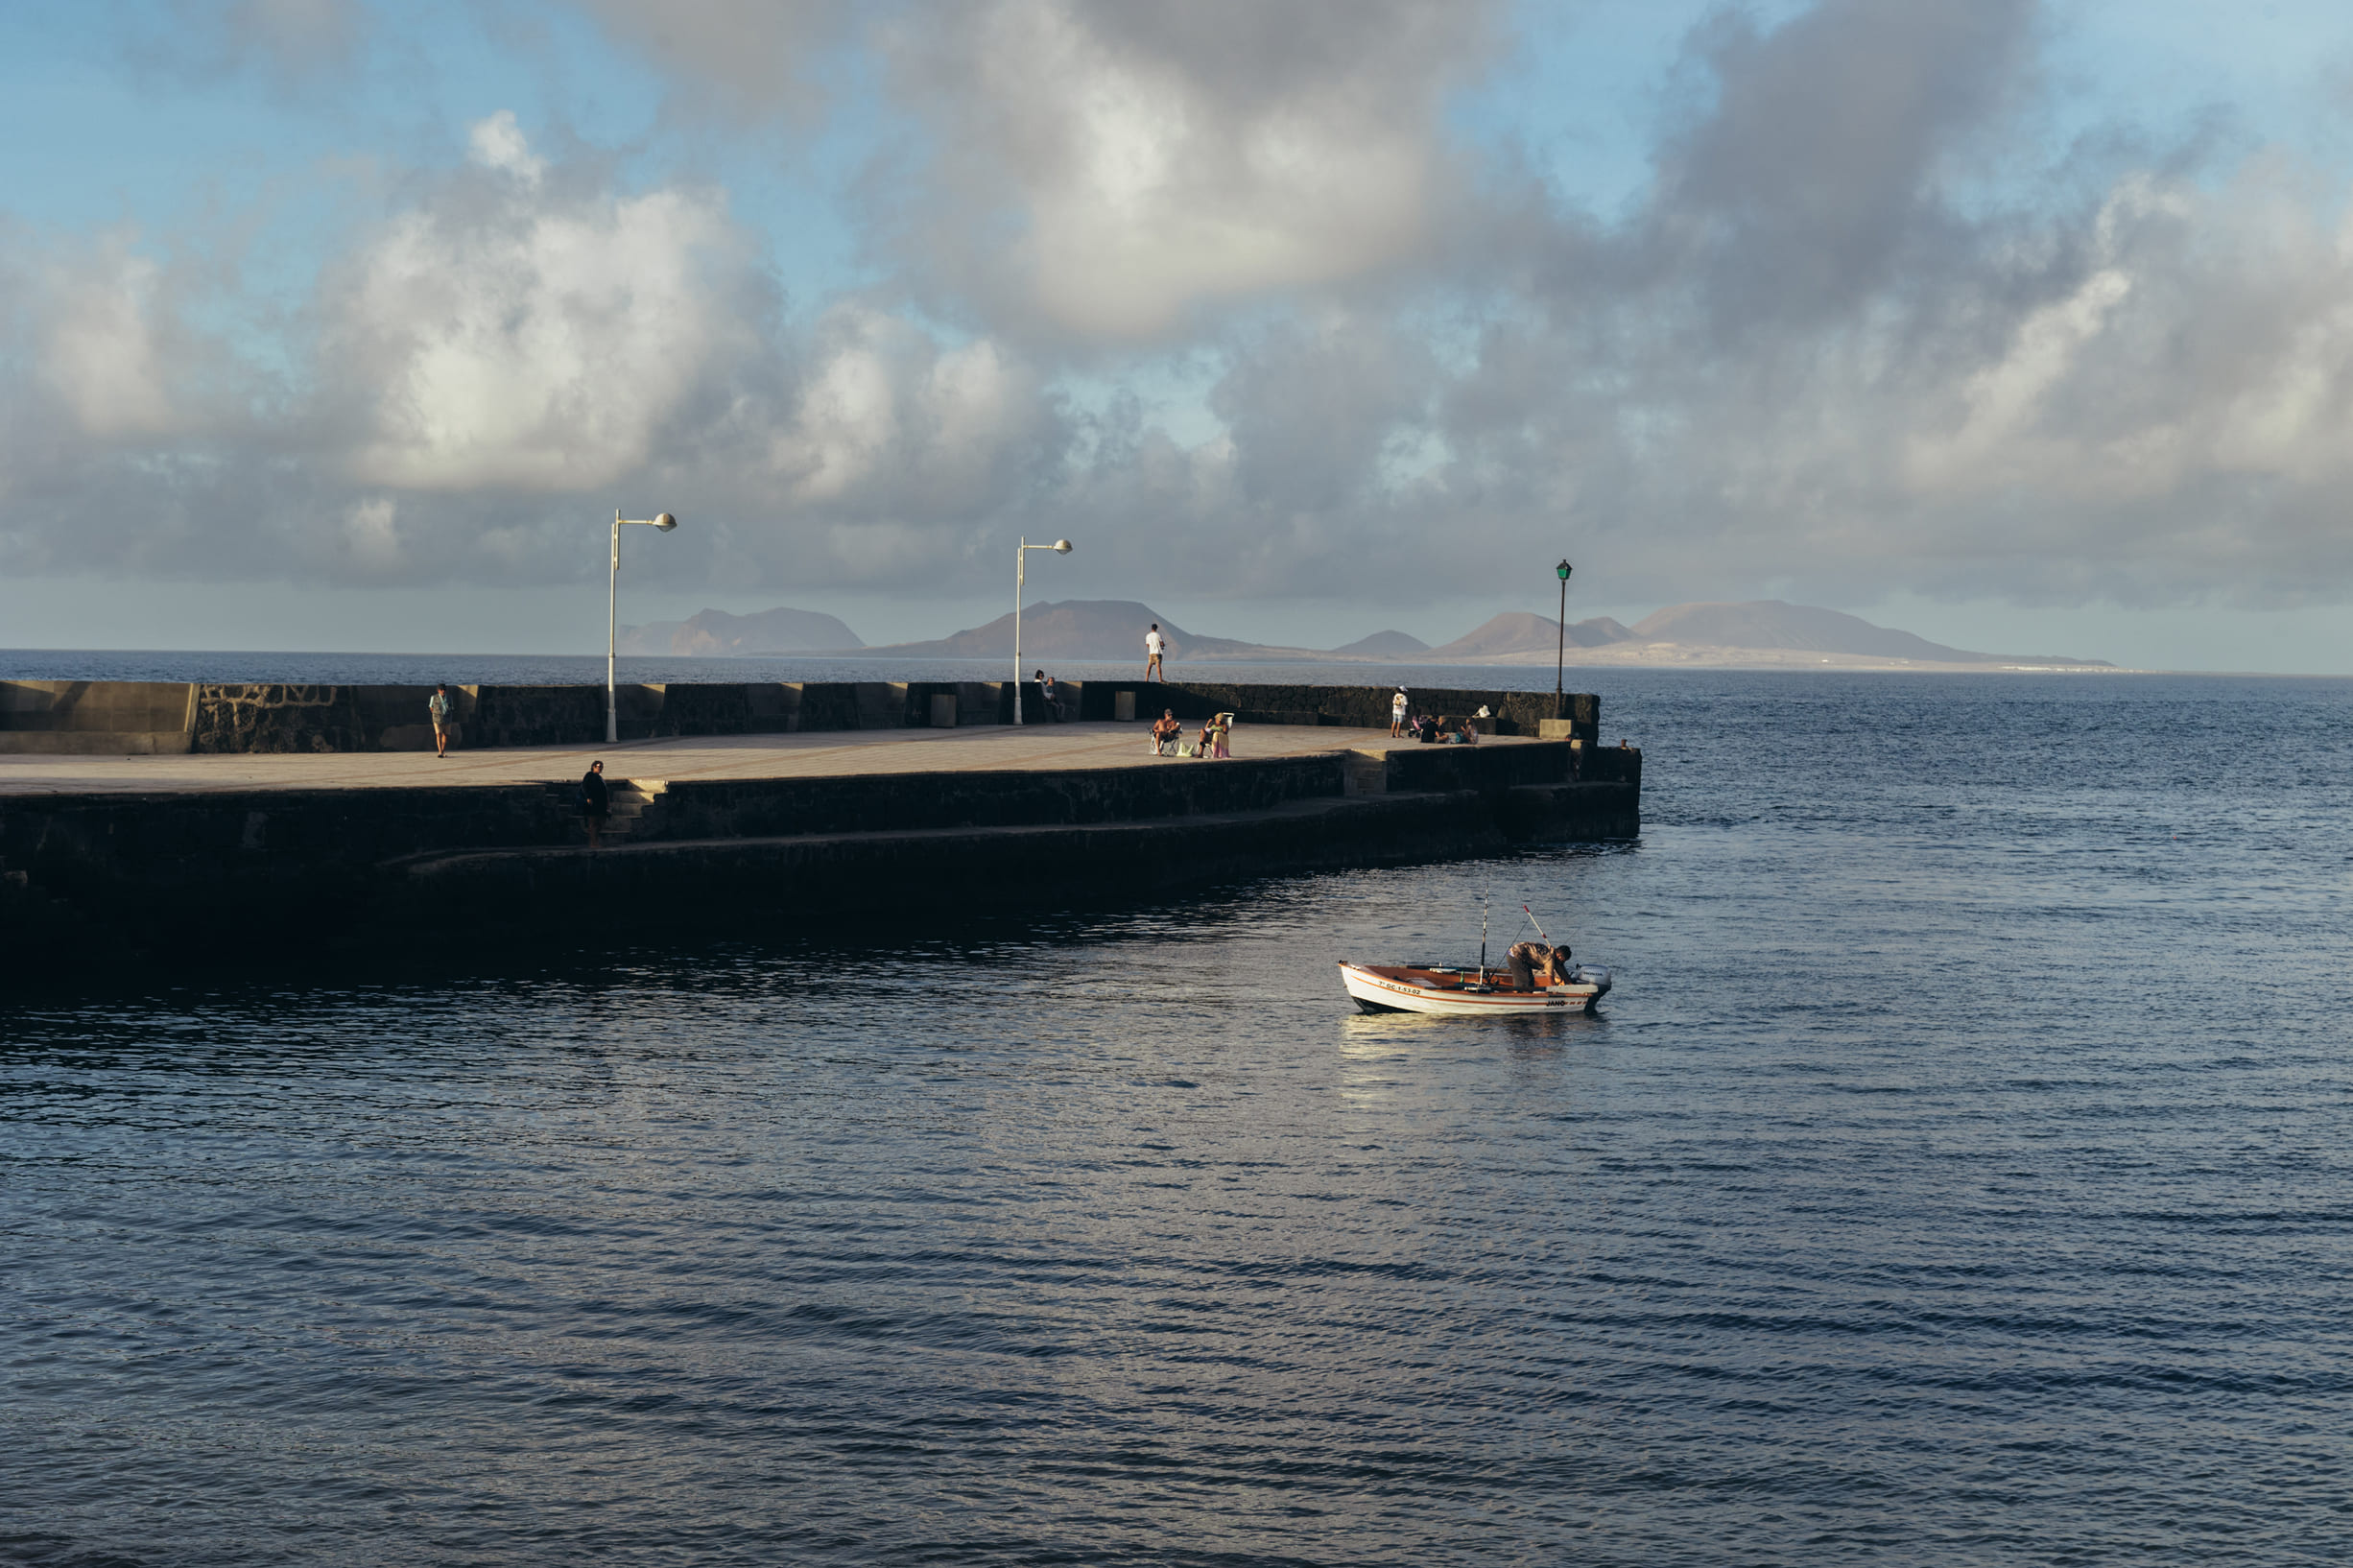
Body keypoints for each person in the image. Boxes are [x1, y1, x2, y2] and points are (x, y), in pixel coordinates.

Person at [581, 759, 609, 849]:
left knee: (600, 822)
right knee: (593, 823)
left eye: (601, 767)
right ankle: (593, 843)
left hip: (601, 804)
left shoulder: (600, 778)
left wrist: (607, 803)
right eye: (598, 766)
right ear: (593, 767)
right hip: (592, 803)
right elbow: (584, 786)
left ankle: (595, 841)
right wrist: (588, 797)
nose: (600, 768)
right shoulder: (589, 775)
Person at [428, 682, 455, 758]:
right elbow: (431, 707)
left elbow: (452, 707)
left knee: (445, 735)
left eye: (444, 690)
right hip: (437, 719)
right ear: (438, 690)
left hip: (447, 719)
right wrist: (436, 713)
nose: (443, 691)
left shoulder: (449, 698)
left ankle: (442, 751)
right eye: (441, 690)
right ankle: (440, 751)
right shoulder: (433, 697)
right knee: (438, 734)